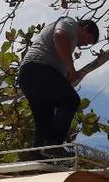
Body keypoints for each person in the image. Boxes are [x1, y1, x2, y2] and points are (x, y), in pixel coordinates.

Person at [17, 17, 99, 160]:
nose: (85, 44)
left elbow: (59, 61)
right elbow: (59, 35)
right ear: (84, 28)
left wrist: (68, 75)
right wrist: (71, 68)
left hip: (29, 77)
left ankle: (37, 158)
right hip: (37, 69)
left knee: (44, 122)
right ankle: (54, 145)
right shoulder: (70, 23)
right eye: (88, 39)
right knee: (70, 100)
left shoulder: (69, 44)